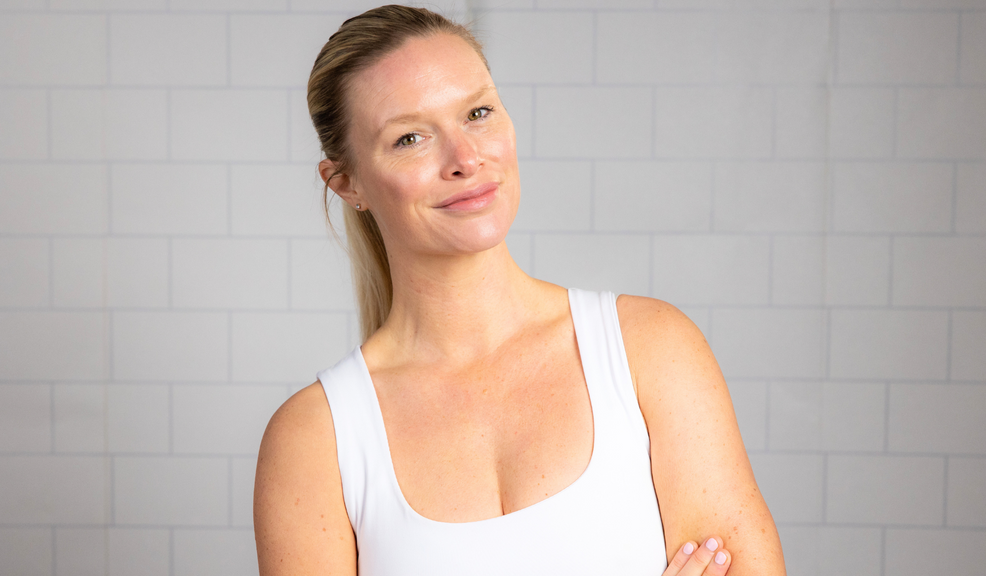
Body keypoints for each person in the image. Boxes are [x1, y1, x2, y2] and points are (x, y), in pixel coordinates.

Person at [254, 5, 787, 575]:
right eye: (410, 138)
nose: (466, 158)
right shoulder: (314, 440)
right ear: (347, 181)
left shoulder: (650, 352)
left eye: (478, 113)